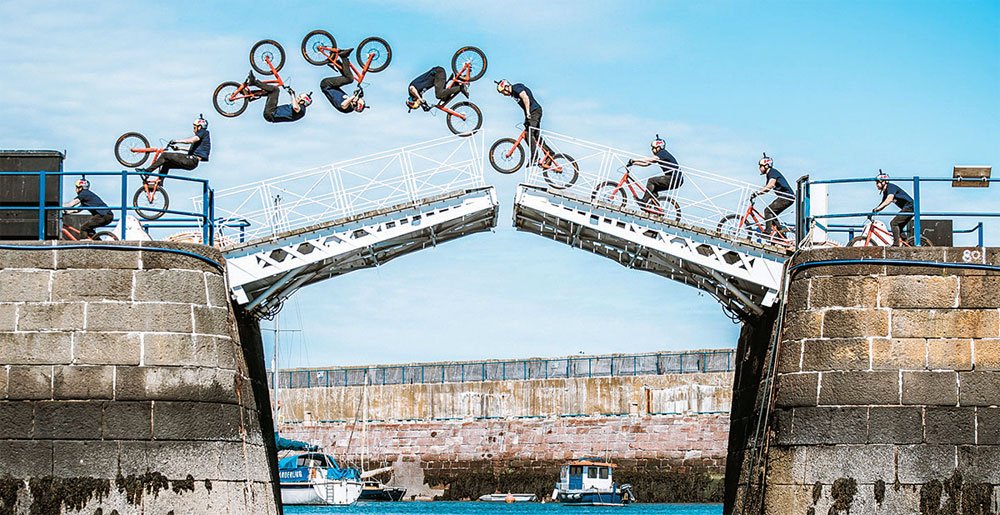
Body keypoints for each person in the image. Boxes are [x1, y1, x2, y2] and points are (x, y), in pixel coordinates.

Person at [496, 79, 552, 168]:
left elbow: (525, 97)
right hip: (533, 112)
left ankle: (534, 157)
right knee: (535, 136)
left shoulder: (516, 88)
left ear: (506, 87)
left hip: (534, 111)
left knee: (528, 134)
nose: (504, 94)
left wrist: (528, 112)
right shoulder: (514, 94)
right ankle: (550, 153)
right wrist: (526, 118)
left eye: (503, 92)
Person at [138, 115, 211, 181]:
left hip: (192, 160)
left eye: (194, 127)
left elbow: (191, 140)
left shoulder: (203, 132)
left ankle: (147, 171)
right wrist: (179, 148)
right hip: (192, 163)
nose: (193, 130)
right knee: (166, 163)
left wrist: (176, 141)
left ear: (199, 127)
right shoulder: (202, 137)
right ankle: (159, 182)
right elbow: (191, 149)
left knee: (164, 155)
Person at [627, 135, 683, 208]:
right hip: (676, 179)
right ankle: (656, 206)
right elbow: (647, 164)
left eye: (653, 148)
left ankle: (643, 202)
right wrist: (634, 163)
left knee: (651, 181)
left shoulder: (662, 153)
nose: (652, 150)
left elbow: (650, 159)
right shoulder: (660, 156)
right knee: (653, 188)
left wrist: (635, 159)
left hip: (674, 178)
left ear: (658, 147)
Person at [751, 154, 795, 234]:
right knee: (773, 215)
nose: (759, 168)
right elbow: (766, 188)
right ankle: (780, 232)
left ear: (766, 166)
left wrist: (758, 192)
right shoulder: (770, 174)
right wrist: (758, 193)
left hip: (786, 197)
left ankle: (767, 232)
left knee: (768, 211)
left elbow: (770, 185)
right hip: (787, 197)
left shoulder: (772, 172)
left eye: (761, 166)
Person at [872, 171, 915, 245]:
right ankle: (907, 243)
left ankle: (896, 244)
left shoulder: (890, 187)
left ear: (883, 182)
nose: (876, 185)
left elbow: (889, 199)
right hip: (908, 207)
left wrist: (877, 209)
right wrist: (875, 210)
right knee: (899, 226)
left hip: (909, 207)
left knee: (894, 223)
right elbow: (883, 204)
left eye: (878, 182)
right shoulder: (885, 192)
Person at [320, 47, 366, 114]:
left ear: (355, 104)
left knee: (349, 79)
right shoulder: (350, 103)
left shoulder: (348, 108)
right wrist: (358, 94)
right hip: (332, 86)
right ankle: (334, 59)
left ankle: (344, 56)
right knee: (346, 75)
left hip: (327, 85)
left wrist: (354, 96)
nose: (356, 98)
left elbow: (343, 105)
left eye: (357, 100)